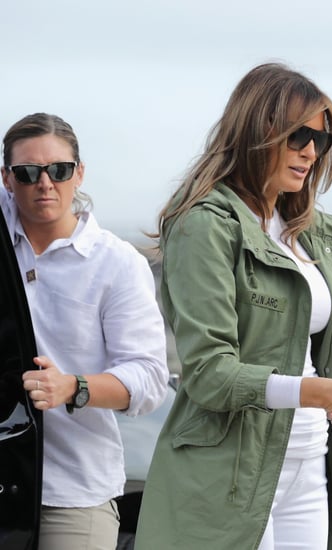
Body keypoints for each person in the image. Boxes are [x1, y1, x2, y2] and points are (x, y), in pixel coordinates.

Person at [134, 62, 332, 550]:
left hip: (310, 466)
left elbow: (308, 362)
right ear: (258, 131)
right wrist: (323, 393)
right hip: (227, 473)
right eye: (299, 136)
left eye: (323, 139)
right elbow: (209, 373)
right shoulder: (203, 224)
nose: (311, 152)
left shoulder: (311, 232)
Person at [0, 112, 169, 550]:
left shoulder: (116, 263)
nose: (44, 183)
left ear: (79, 173)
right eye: (27, 172)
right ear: (6, 178)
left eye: (58, 170)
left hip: (74, 488)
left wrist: (71, 387)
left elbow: (149, 379)